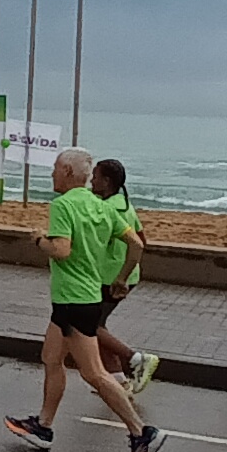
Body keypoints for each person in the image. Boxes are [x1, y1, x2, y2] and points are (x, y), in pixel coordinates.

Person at [2, 147, 166, 452]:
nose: (51, 173)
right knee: (51, 358)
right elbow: (136, 244)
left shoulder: (63, 205)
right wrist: (121, 278)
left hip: (75, 302)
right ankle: (43, 426)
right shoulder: (100, 205)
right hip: (80, 298)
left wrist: (39, 240)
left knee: (94, 374)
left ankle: (141, 432)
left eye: (55, 168)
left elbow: (61, 250)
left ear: (67, 172)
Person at [85, 156, 164, 396]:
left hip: (109, 278)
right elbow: (141, 239)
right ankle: (119, 381)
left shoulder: (106, 208)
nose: (91, 181)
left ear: (107, 181)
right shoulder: (125, 205)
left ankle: (136, 358)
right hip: (128, 275)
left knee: (87, 325)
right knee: (98, 326)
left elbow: (94, 242)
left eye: (95, 177)